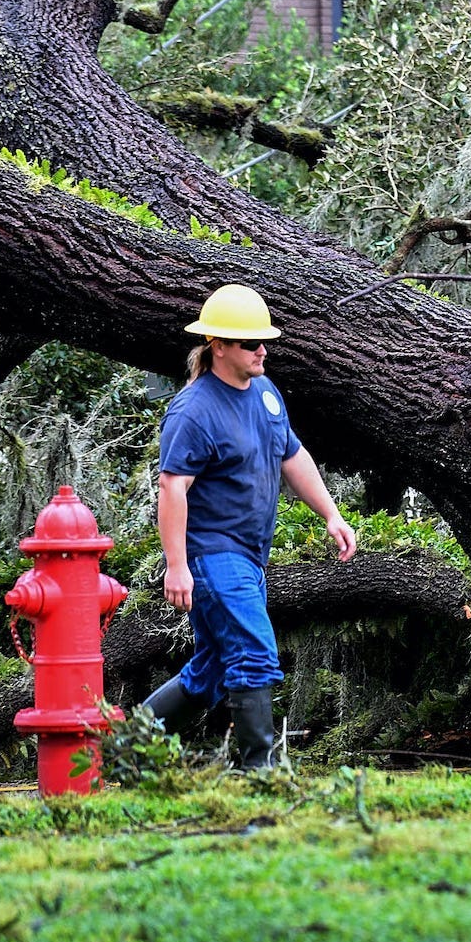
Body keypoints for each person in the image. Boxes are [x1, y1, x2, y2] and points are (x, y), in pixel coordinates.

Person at [141, 284, 356, 767]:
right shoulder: (194, 411)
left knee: (212, 670)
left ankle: (118, 746)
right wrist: (177, 566)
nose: (262, 350)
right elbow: (172, 489)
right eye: (249, 343)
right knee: (256, 654)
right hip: (214, 555)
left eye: (264, 342)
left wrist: (332, 515)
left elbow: (292, 455)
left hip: (251, 555)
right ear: (218, 347)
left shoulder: (264, 392)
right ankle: (259, 771)